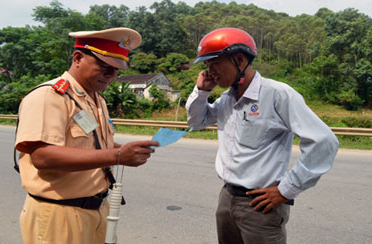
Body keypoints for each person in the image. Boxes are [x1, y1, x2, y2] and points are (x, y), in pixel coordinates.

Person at [186, 27, 339, 244]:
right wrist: (202, 92)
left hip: (260, 205)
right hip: (227, 197)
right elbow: (196, 121)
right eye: (207, 66)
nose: (210, 72)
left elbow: (324, 142)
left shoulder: (277, 94)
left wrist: (287, 190)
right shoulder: (228, 99)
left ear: (239, 60)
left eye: (214, 64)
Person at [15, 27, 160, 244]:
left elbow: (95, 147)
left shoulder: (96, 99)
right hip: (59, 214)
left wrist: (128, 150)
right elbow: (43, 157)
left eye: (116, 70)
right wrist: (117, 156)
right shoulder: (50, 96)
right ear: (78, 58)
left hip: (97, 210)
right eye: (104, 67)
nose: (110, 76)